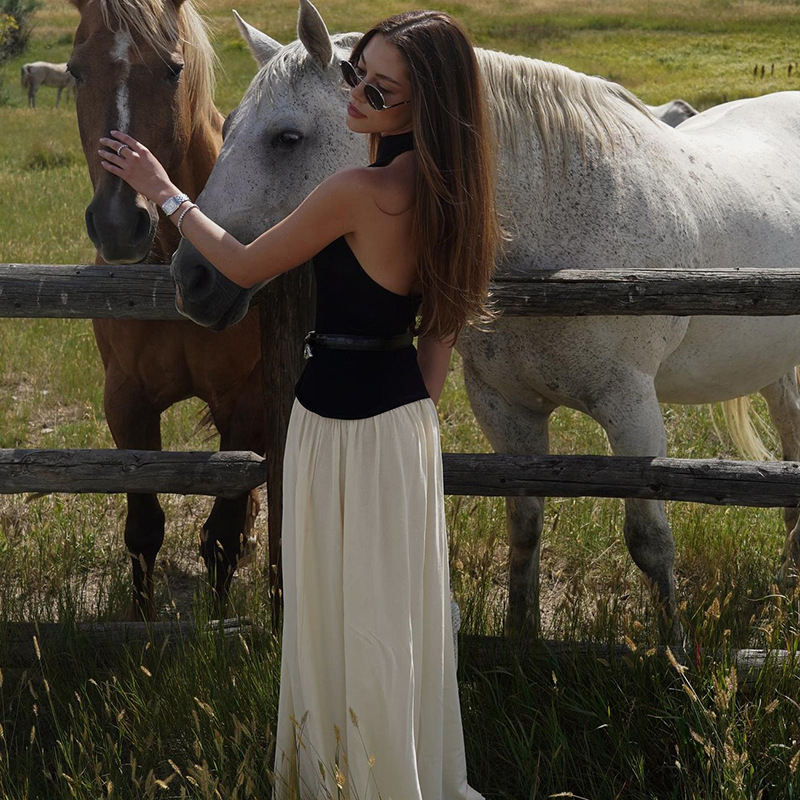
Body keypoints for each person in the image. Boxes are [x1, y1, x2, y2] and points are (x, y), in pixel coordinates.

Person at [98, 8, 502, 798]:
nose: (356, 97)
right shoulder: (456, 195)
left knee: (332, 617)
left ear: (425, 105)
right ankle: (401, 774)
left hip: (333, 424)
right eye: (357, 74)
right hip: (403, 427)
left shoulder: (358, 190)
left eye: (379, 92)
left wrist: (166, 193)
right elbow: (436, 345)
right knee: (392, 617)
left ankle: (341, 778)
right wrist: (408, 431)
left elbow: (245, 264)